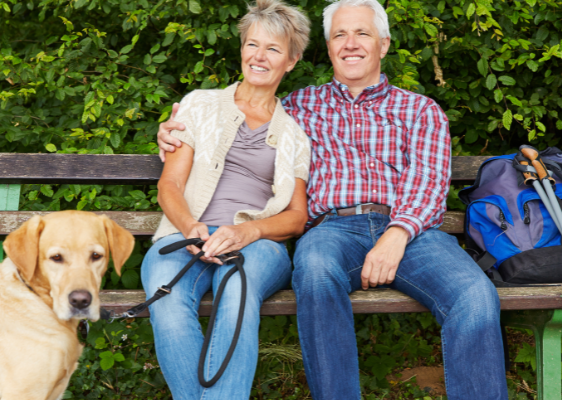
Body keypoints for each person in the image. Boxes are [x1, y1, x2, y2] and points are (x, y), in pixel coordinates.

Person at [157, 0, 508, 398]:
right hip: (333, 229)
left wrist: (397, 234)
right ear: (328, 48)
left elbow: (428, 185)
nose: (350, 43)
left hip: (412, 233)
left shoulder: (420, 110)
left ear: (384, 44)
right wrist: (169, 133)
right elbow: (232, 128)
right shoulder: (298, 108)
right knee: (315, 270)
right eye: (340, 34)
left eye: (362, 33)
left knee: (475, 296)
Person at [141, 1, 311, 398]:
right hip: (184, 235)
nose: (259, 56)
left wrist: (245, 232)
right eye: (252, 44)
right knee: (166, 302)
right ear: (241, 49)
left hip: (258, 245)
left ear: (291, 60)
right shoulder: (200, 105)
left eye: (273, 48)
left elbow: (296, 217)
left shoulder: (294, 136)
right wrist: (192, 228)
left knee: (236, 291)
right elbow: (170, 186)